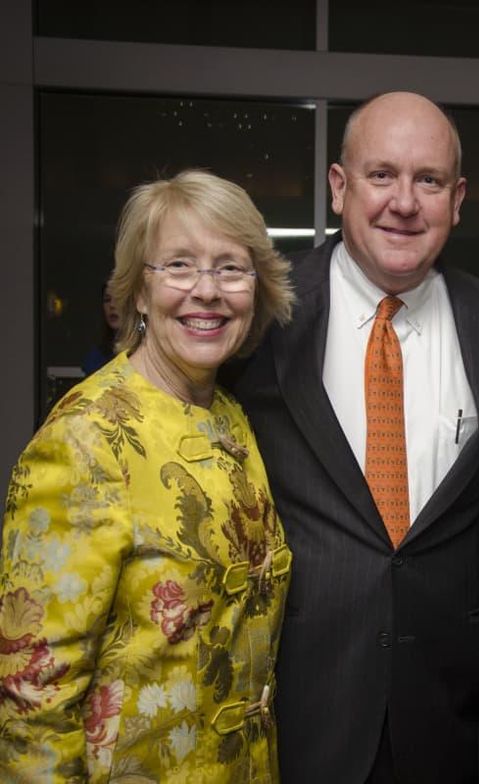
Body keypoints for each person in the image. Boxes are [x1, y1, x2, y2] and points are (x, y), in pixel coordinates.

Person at [232, 91, 479, 783]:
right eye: (382, 174)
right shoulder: (262, 317)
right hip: (303, 709)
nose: (404, 202)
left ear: (457, 199)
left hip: (453, 715)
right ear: (340, 187)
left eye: (429, 180)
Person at [0, 170, 295, 781]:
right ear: (138, 291)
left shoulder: (232, 416)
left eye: (230, 269)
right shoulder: (83, 438)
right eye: (179, 266)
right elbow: (30, 699)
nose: (207, 290)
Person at [81, 280, 121, 375]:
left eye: (119, 299)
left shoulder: (146, 353)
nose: (112, 305)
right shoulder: (95, 358)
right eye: (107, 300)